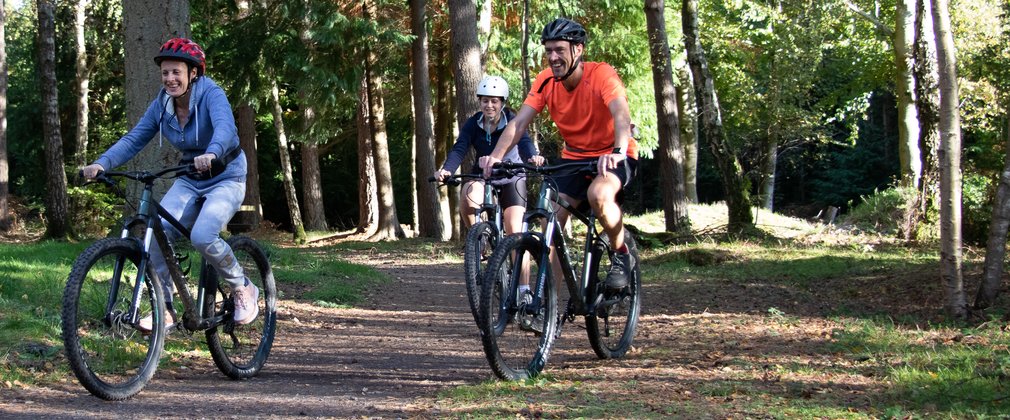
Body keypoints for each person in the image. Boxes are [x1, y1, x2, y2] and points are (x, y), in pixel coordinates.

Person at [81, 38, 258, 331]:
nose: (170, 79)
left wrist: (212, 153)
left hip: (226, 175)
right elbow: (135, 138)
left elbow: (226, 128)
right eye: (165, 73)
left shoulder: (212, 94)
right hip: (190, 177)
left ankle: (242, 286)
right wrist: (103, 163)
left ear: (193, 73)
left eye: (176, 72)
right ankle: (166, 308)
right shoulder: (162, 104)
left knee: (202, 235)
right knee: (158, 234)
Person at [479, 17, 639, 291]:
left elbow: (620, 114)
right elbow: (518, 124)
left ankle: (621, 252)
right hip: (574, 158)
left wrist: (617, 150)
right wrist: (496, 156)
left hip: (612, 155)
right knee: (549, 221)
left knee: (599, 196)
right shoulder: (545, 81)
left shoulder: (601, 74)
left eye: (559, 50)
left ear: (577, 50)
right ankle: (545, 301)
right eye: (548, 50)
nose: (552, 57)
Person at [433, 75, 544, 238]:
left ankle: (519, 262)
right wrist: (447, 170)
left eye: (494, 101)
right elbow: (459, 148)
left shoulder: (512, 120)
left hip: (512, 176)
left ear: (502, 102)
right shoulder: (473, 123)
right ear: (480, 102)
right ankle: (479, 240)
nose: (489, 105)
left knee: (515, 230)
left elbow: (524, 141)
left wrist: (533, 156)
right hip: (484, 175)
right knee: (468, 195)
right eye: (485, 101)